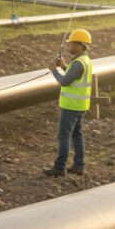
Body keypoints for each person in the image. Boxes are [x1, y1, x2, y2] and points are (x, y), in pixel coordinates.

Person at [44, 29, 93, 177]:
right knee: (77, 135)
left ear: (80, 45)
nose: (68, 46)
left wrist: (54, 70)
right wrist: (64, 66)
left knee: (64, 136)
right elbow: (73, 77)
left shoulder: (78, 63)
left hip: (71, 106)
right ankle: (79, 165)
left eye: (71, 43)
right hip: (80, 105)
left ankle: (59, 167)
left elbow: (64, 81)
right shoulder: (84, 60)